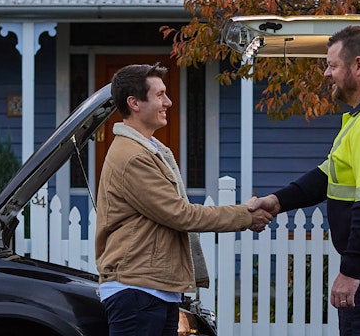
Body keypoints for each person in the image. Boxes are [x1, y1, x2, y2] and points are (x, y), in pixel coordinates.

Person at [247, 26, 360, 335]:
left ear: (358, 66)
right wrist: (277, 202)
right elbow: (326, 175)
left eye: (332, 65)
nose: (326, 74)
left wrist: (350, 272)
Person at [95, 63, 274, 336]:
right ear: (134, 103)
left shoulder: (151, 149)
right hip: (137, 292)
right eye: (159, 95)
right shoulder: (132, 157)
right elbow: (181, 215)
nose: (168, 101)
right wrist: (245, 215)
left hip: (154, 290)